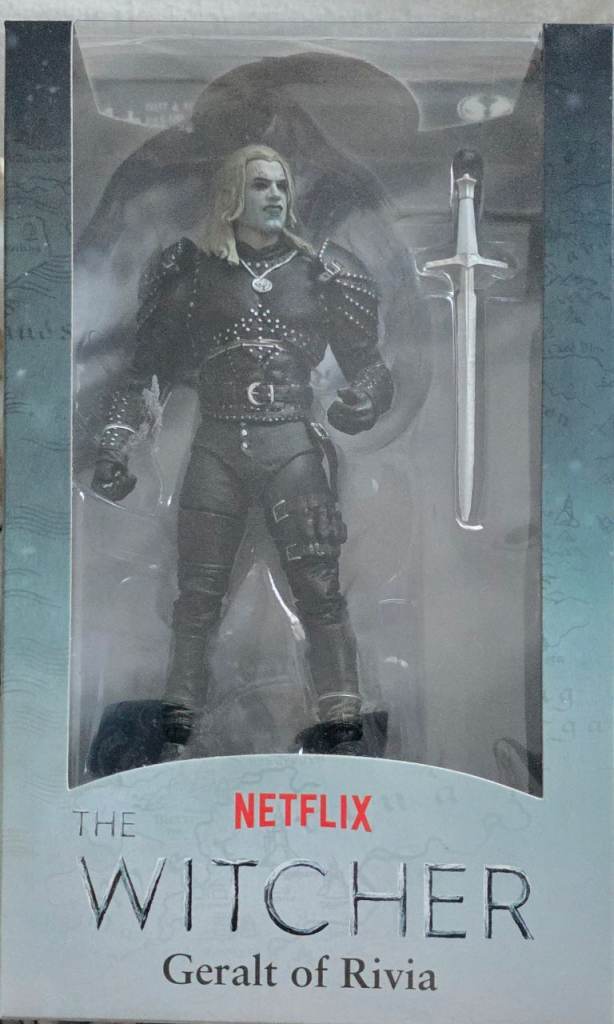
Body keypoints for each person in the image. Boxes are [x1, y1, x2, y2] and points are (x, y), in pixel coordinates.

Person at [92, 144, 393, 757]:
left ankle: (342, 713)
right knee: (197, 598)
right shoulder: (189, 271)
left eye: (281, 184)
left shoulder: (326, 271)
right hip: (217, 448)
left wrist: (363, 399)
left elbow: (369, 365)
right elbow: (145, 374)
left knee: (320, 589)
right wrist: (117, 445)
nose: (275, 195)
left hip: (293, 448)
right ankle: (179, 716)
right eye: (260, 185)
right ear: (233, 193)